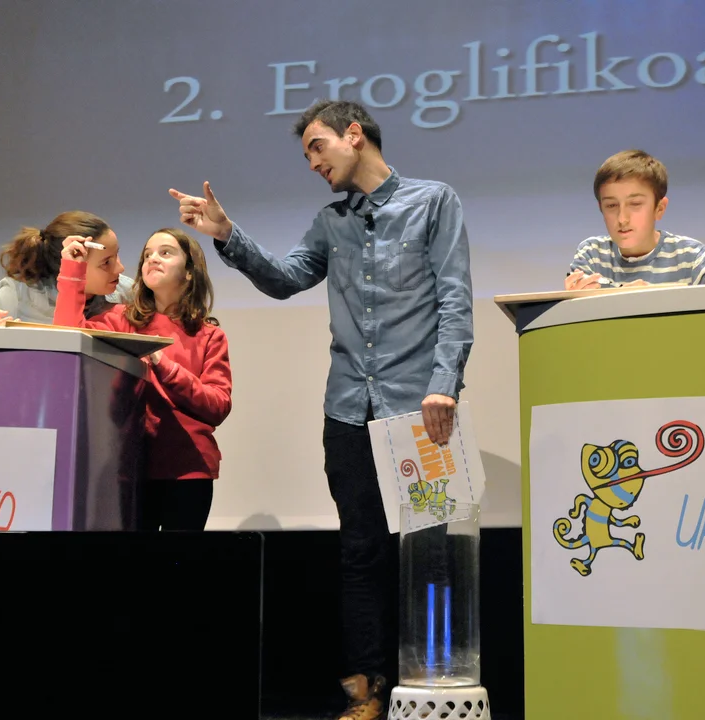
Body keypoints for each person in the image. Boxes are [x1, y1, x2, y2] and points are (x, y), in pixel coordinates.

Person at [169, 99, 473, 720]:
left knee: (430, 550)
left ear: (353, 135)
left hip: (420, 410)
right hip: (348, 411)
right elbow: (284, 279)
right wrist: (226, 234)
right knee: (361, 549)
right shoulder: (331, 222)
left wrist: (445, 383)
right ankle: (367, 689)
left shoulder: (433, 201)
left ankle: (435, 682)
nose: (311, 162)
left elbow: (454, 299)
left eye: (316, 146)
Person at [53, 228, 232, 532]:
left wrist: (166, 367)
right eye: (147, 255)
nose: (152, 259)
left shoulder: (209, 335)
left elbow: (218, 406)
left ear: (190, 272)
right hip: (128, 469)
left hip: (188, 471)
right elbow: (68, 336)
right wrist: (73, 268)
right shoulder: (119, 320)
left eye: (165, 253)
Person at [565, 150, 705, 291]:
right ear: (601, 208)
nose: (622, 219)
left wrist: (649, 297)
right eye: (611, 205)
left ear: (659, 208)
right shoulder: (592, 254)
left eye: (635, 204)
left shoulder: (691, 256)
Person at [0, 210, 134, 323]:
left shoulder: (127, 292)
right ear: (70, 262)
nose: (120, 268)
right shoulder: (18, 293)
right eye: (106, 262)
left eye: (116, 255)